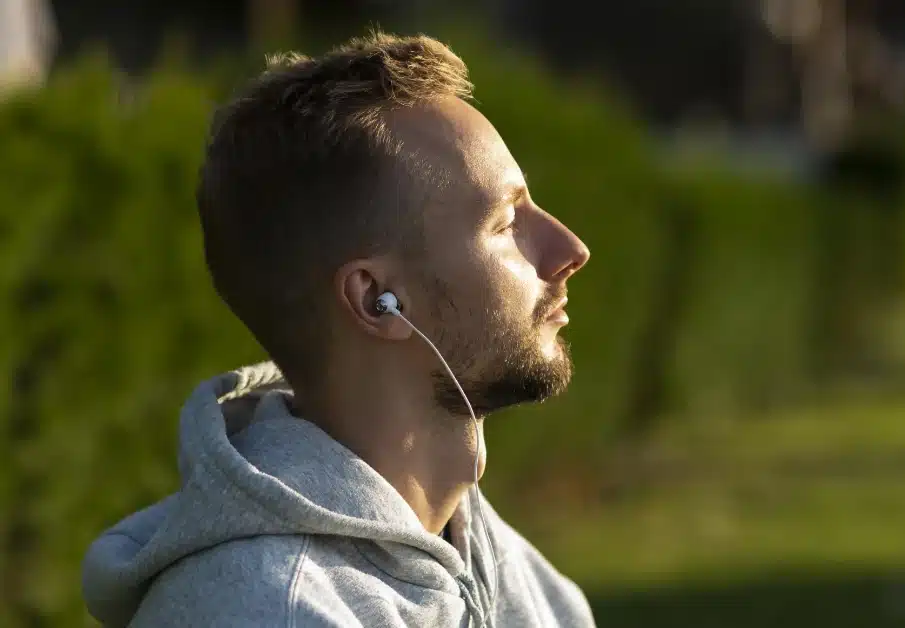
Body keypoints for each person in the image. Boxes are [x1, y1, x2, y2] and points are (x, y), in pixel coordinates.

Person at [81, 31, 594, 627]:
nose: (570, 248)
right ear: (377, 299)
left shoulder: (523, 582)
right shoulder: (271, 610)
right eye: (505, 222)